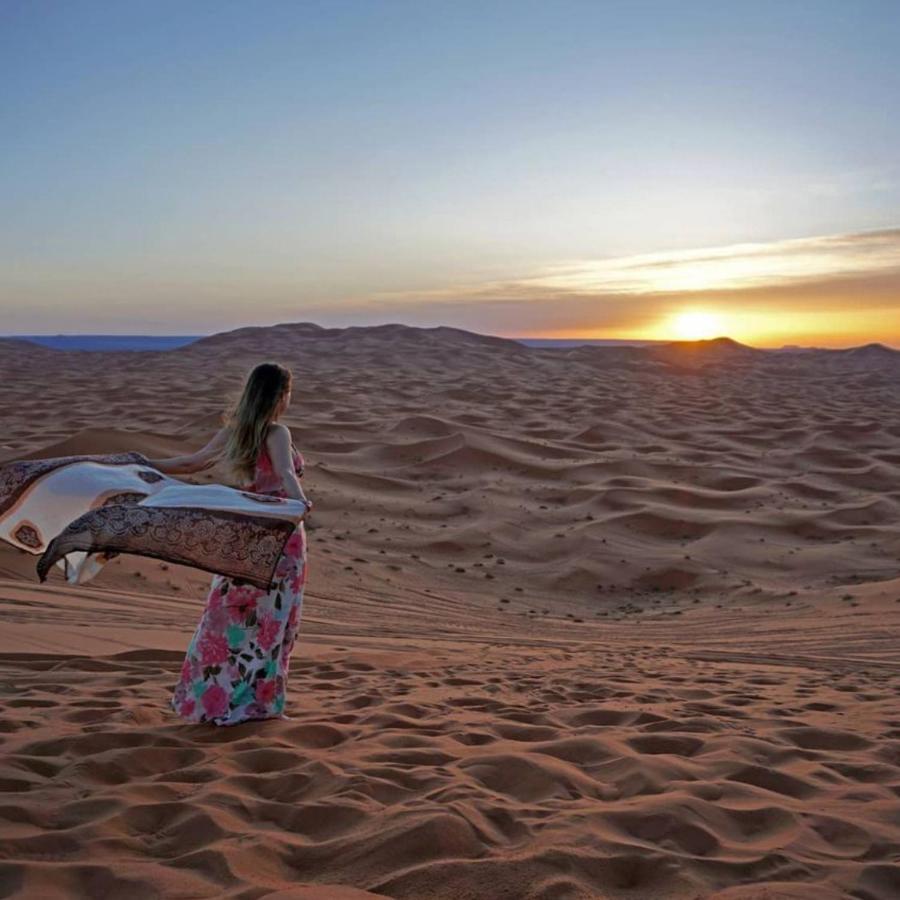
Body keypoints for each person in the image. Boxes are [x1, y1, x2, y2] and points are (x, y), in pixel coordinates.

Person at [148, 362, 312, 725]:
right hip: (281, 538)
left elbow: (191, 463)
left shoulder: (235, 433)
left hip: (244, 536)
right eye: (288, 392)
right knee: (272, 623)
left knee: (227, 618)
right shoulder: (278, 432)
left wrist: (145, 465)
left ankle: (209, 699)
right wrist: (301, 504)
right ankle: (260, 706)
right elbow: (286, 473)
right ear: (280, 395)